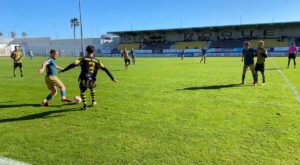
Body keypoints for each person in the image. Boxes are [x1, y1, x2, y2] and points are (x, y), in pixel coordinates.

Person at [60, 45, 118, 110]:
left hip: (83, 79)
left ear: (86, 51)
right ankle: (93, 101)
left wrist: (63, 70)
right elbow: (105, 69)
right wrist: (112, 78)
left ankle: (85, 106)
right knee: (92, 88)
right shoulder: (97, 61)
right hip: (92, 80)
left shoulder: (83, 59)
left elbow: (73, 64)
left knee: (82, 91)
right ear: (94, 52)